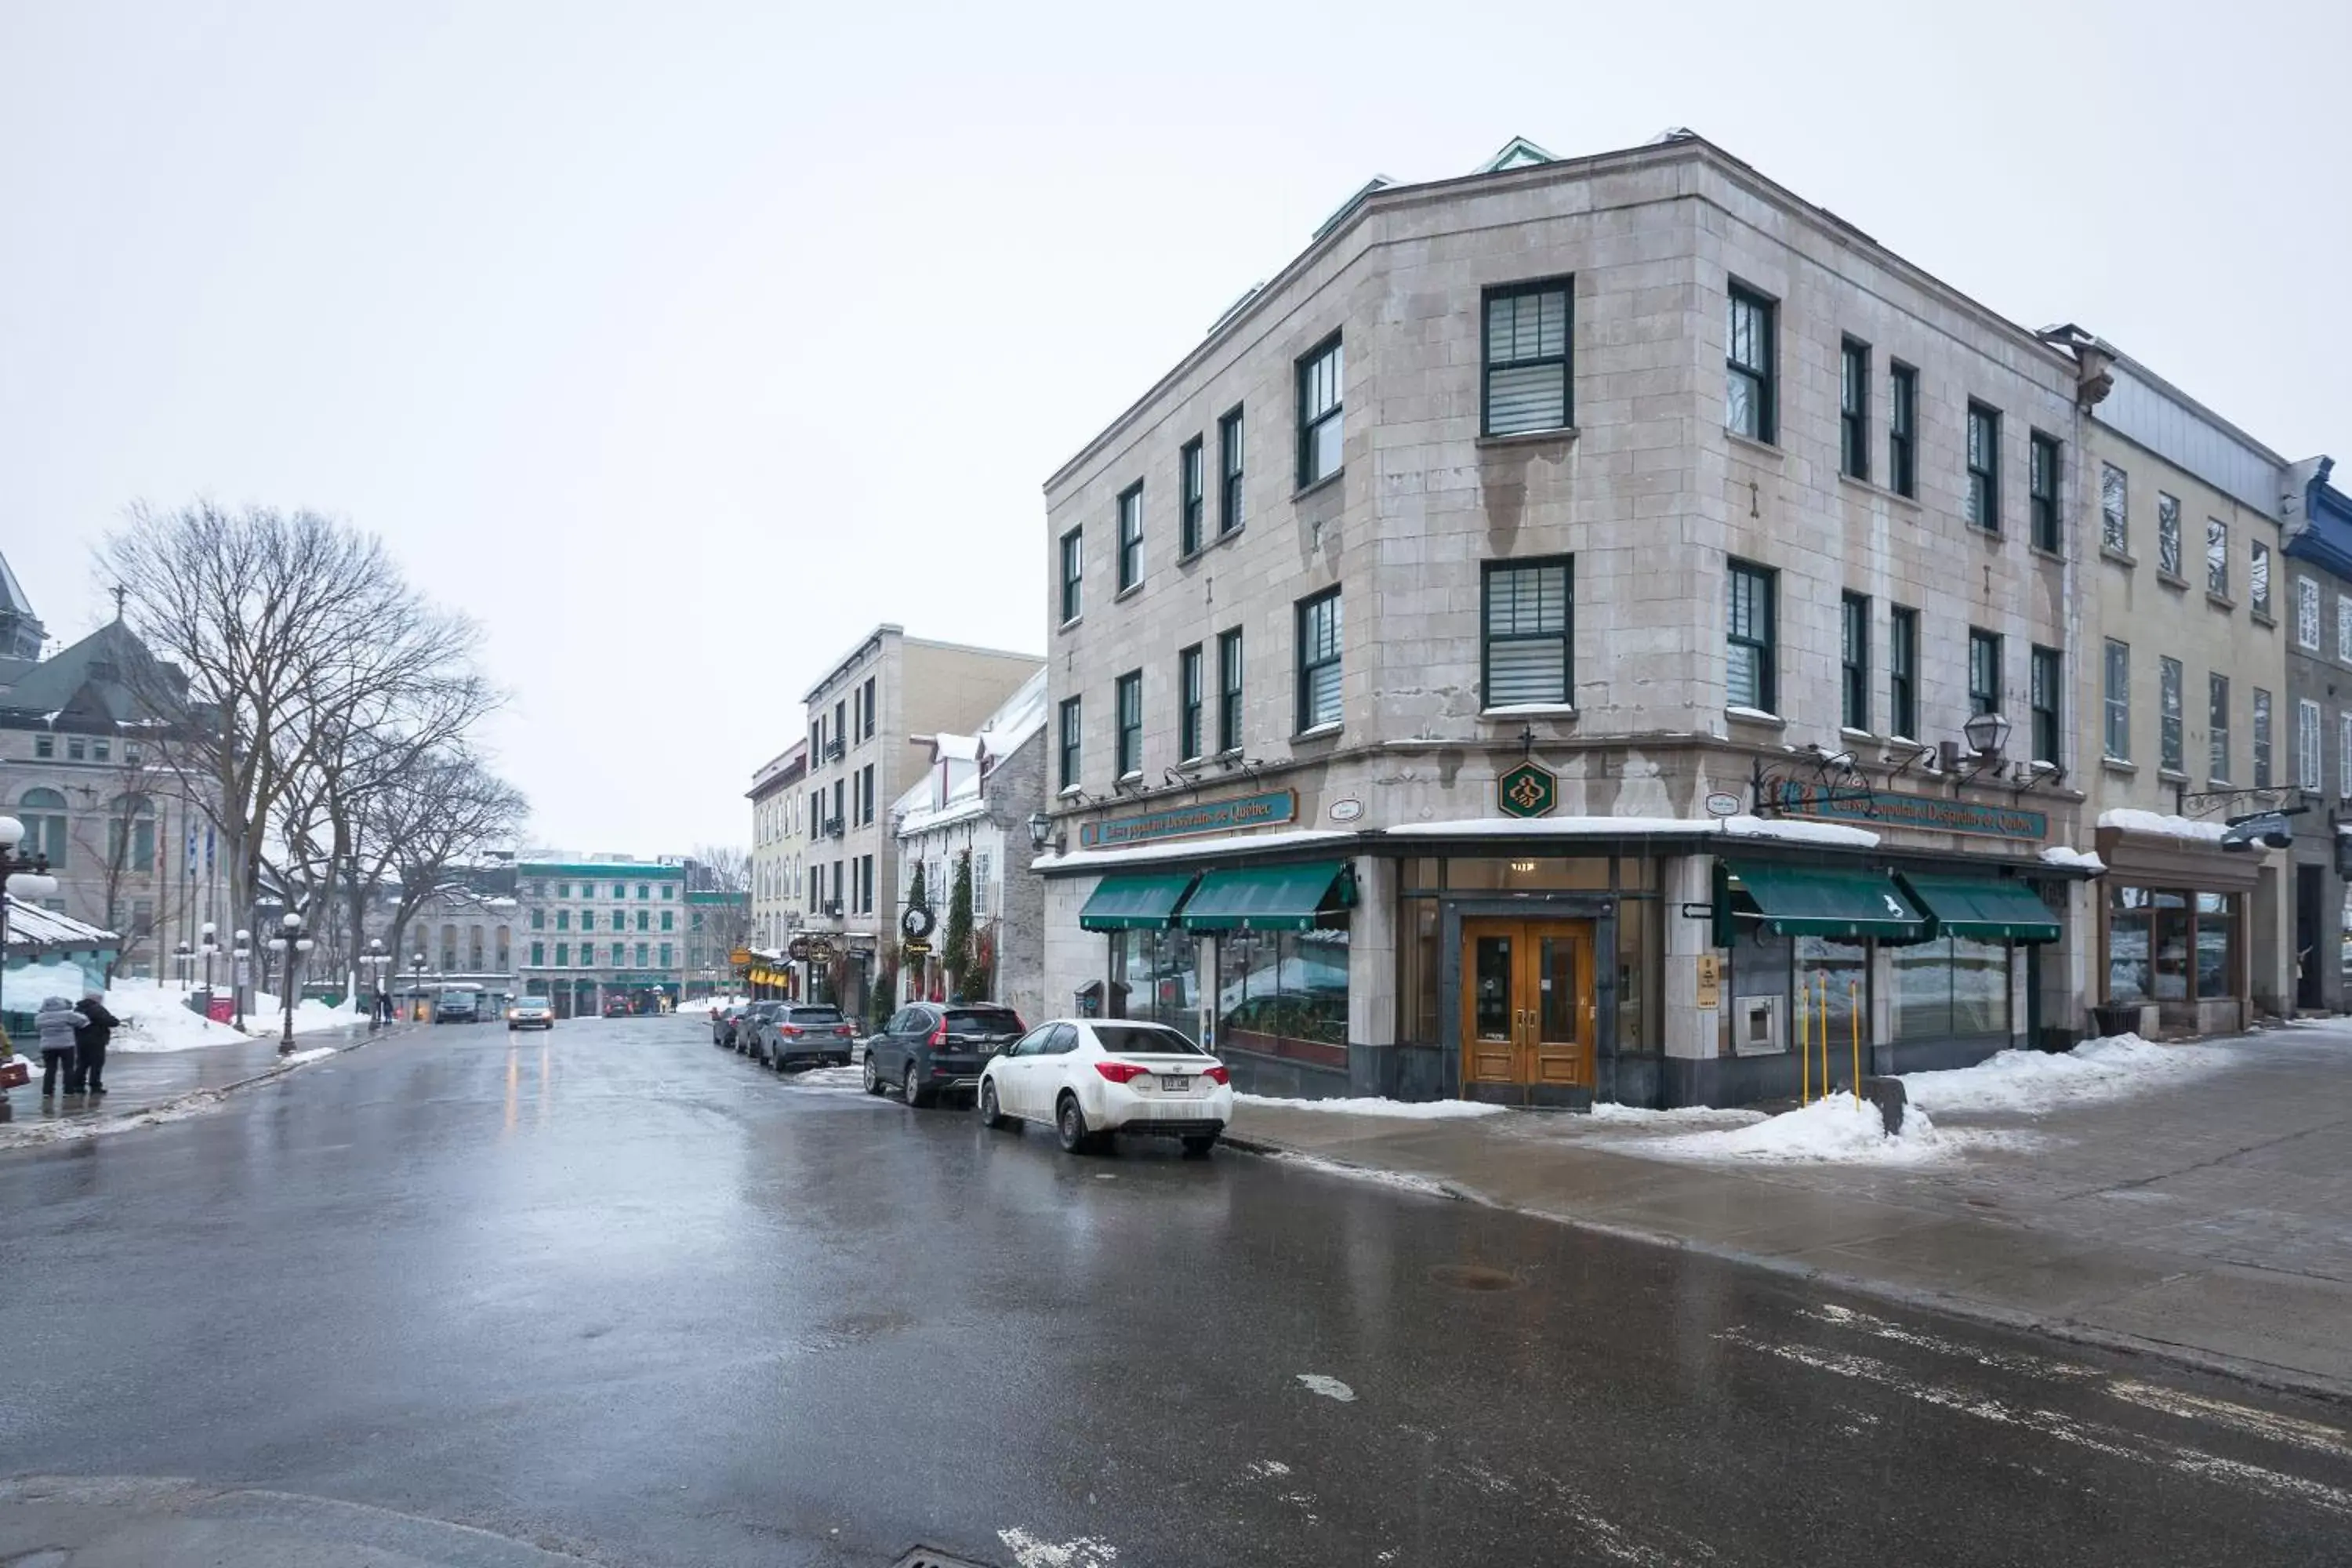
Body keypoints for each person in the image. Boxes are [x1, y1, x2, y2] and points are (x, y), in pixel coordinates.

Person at [68, 987, 121, 1096]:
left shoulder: (78, 1009)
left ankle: (78, 1085)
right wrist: (114, 1020)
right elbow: (112, 1021)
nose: (101, 1000)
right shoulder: (97, 1008)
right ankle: (95, 1086)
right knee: (97, 1064)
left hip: (81, 1040)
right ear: (94, 998)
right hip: (96, 1040)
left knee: (82, 1063)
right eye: (99, 998)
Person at [34, 995, 88, 1099]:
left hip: (47, 1046)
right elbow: (83, 1021)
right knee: (68, 1069)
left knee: (50, 1069)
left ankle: (47, 1092)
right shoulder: (68, 1014)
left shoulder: (40, 1017)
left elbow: (37, 1027)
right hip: (66, 1045)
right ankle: (68, 1091)